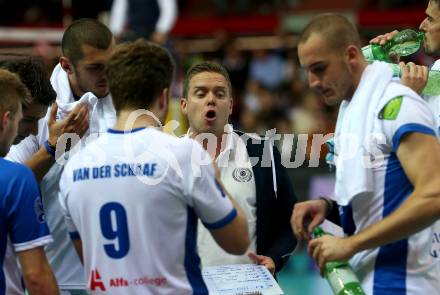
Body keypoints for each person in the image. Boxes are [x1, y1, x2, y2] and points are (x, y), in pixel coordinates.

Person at [58, 39, 249, 294]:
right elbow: (238, 242)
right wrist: (215, 178)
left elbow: (89, 259)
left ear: (114, 95)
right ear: (163, 96)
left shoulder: (73, 167)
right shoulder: (184, 155)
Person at [291, 14, 440, 294]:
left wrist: (351, 244)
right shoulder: (355, 111)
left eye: (320, 68)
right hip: (372, 279)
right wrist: (329, 208)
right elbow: (385, 197)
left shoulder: (397, 104)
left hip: (405, 284)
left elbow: (434, 195)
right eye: (307, 71)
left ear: (351, 56)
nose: (312, 81)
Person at [6, 18, 116, 294]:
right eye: (95, 68)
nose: (107, 75)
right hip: (55, 276)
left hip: (118, 274)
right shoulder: (39, 110)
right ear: (67, 65)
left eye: (111, 65)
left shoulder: (126, 101)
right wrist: (53, 149)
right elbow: (8, 187)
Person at [180, 61, 297, 275]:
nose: (211, 100)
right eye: (200, 93)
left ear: (231, 105)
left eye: (220, 94)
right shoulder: (168, 158)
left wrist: (274, 257)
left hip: (248, 287)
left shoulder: (262, 152)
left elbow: (289, 219)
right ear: (184, 105)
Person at [370, 0, 440, 260]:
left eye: (431, 19)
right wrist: (386, 69)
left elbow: (415, 164)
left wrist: (406, 96)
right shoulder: (434, 76)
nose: (422, 25)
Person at [0, 68, 59, 295]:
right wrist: (56, 146)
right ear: (7, 120)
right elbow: (36, 277)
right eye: (23, 120)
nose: (34, 131)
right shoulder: (15, 178)